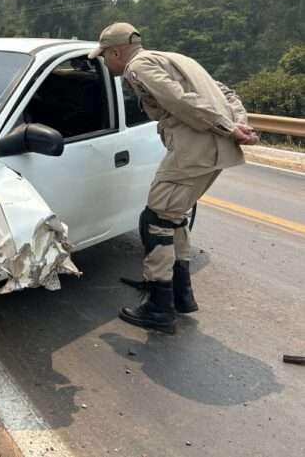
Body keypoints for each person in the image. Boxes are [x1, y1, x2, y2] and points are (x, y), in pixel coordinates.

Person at [88, 23, 259, 334]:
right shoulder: (177, 58)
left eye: (104, 57)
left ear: (115, 52)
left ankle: (158, 306)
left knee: (155, 220)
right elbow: (226, 93)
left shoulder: (137, 67)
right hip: (212, 151)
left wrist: (228, 128)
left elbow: (178, 100)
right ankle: (180, 294)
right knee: (173, 218)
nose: (103, 62)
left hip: (194, 151)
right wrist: (238, 124)